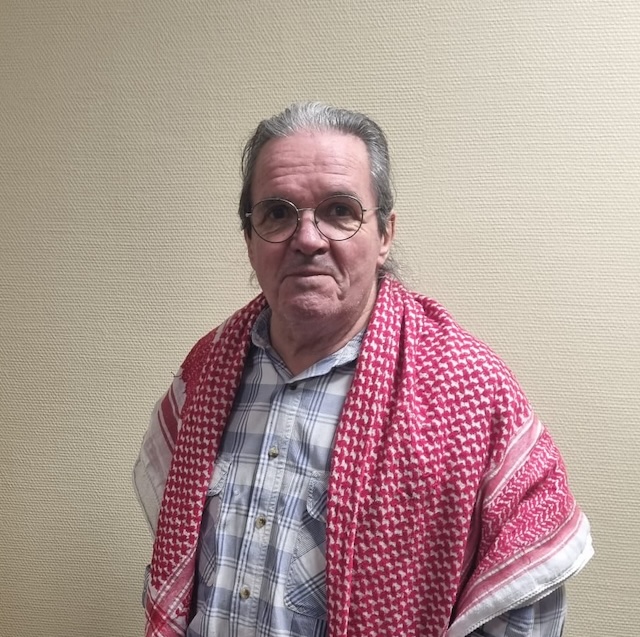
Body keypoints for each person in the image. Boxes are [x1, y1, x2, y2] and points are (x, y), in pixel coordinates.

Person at [134, 102, 593, 637]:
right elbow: (177, 564)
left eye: (339, 210)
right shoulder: (206, 374)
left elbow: (524, 606)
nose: (308, 239)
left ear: (385, 234)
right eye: (278, 213)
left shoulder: (471, 392)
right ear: (250, 239)